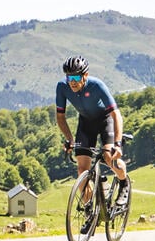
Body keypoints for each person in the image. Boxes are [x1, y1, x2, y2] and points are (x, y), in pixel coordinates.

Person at [55, 55, 129, 205]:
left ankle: (123, 183)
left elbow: (116, 115)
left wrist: (118, 144)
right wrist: (69, 139)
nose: (73, 82)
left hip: (105, 121)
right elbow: (60, 117)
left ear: (85, 75)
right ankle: (89, 211)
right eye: (69, 78)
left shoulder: (97, 86)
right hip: (85, 123)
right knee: (82, 170)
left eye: (76, 77)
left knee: (109, 157)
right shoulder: (62, 87)